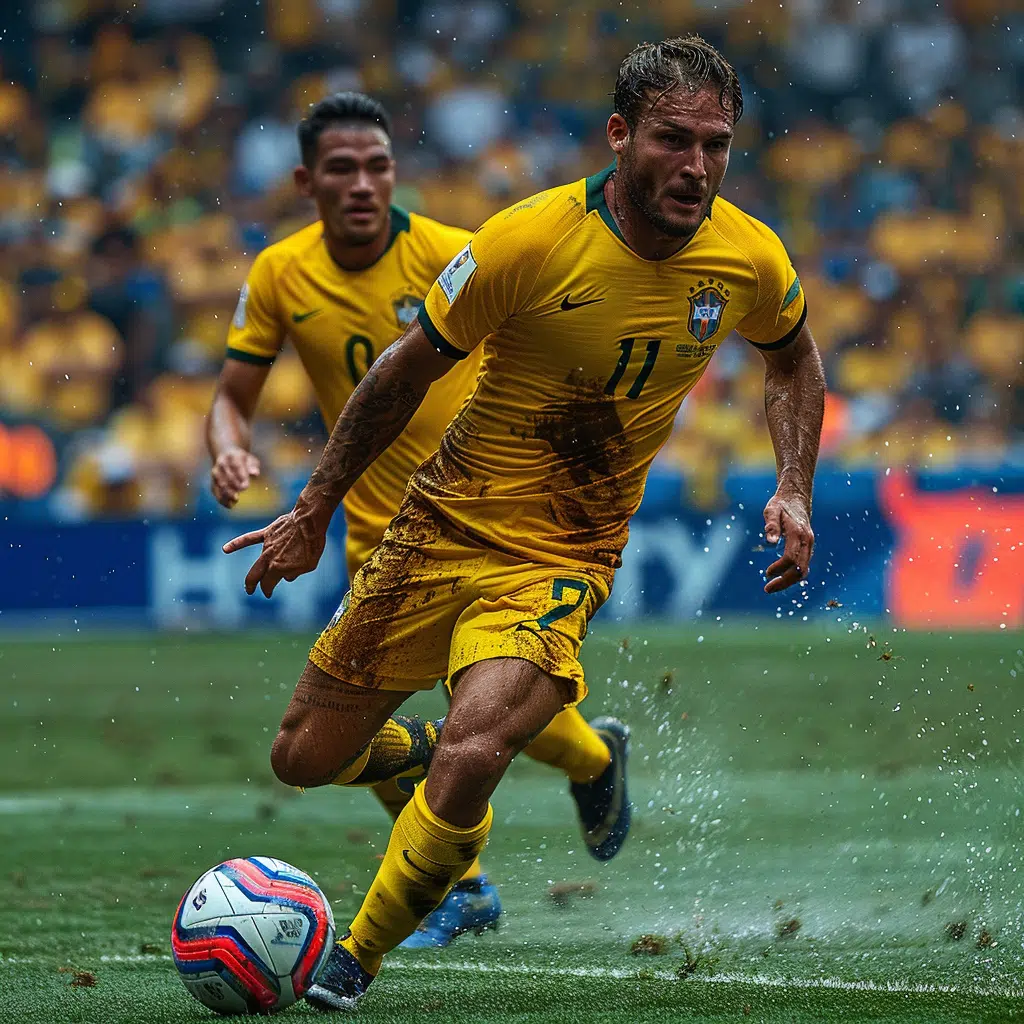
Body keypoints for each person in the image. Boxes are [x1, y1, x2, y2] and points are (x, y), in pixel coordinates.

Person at [226, 35, 825, 1009]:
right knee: (303, 756)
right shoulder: (526, 239)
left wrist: (792, 485)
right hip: (437, 527)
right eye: (674, 140)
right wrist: (310, 509)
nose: (697, 167)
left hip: (561, 550)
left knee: (474, 748)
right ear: (619, 135)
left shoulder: (748, 256)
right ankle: (529, 759)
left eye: (716, 145)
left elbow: (793, 361)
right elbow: (400, 372)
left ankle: (358, 955)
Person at [207, 92, 629, 950]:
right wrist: (229, 447)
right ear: (305, 181)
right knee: (363, 717)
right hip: (373, 534)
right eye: (341, 168)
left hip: (487, 521)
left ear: (395, 172)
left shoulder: (452, 254)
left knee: (493, 709)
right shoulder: (279, 273)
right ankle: (465, 886)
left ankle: (593, 761)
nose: (363, 184)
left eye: (378, 166)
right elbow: (230, 396)